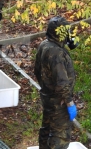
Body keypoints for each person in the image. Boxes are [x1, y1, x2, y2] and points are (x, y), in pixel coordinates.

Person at [34, 15, 78, 149]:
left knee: (47, 129)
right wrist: (69, 102)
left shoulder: (44, 45)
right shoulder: (57, 54)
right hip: (59, 100)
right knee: (60, 134)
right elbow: (61, 82)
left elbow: (37, 70)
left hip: (47, 95)